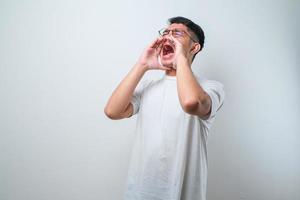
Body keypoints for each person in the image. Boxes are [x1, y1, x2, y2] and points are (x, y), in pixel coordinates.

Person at [104, 16, 225, 200]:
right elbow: (112, 111)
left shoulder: (210, 88)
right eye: (166, 32)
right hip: (139, 193)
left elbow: (190, 103)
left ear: (194, 47)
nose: (168, 37)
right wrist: (142, 65)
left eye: (177, 33)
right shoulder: (148, 86)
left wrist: (181, 59)